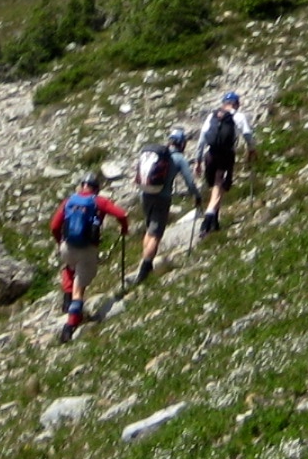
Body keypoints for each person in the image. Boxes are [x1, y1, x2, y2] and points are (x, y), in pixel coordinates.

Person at [49, 171, 129, 341]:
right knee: (80, 288)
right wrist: (124, 228)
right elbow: (122, 214)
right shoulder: (98, 201)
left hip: (67, 246)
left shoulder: (69, 201)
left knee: (70, 268)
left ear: (81, 186)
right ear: (96, 188)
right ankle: (70, 325)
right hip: (88, 249)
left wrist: (60, 242)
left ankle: (67, 299)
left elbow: (54, 226)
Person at [132, 128, 197, 283]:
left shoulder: (157, 155)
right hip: (162, 198)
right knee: (156, 234)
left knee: (149, 229)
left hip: (146, 194)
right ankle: (145, 268)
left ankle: (145, 259)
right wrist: (196, 195)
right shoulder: (178, 158)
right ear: (182, 143)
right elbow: (189, 180)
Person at [195, 91, 252, 236]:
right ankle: (207, 220)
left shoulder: (212, 116)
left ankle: (215, 222)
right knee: (219, 187)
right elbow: (246, 134)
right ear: (236, 104)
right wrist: (251, 149)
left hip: (210, 154)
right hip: (226, 155)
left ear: (223, 103)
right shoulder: (238, 116)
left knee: (214, 186)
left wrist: (198, 160)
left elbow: (202, 138)